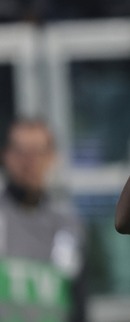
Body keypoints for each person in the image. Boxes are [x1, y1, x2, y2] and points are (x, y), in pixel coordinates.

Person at [0, 119, 86, 322]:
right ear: (6, 156)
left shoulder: (70, 225)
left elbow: (79, 303)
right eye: (21, 152)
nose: (29, 162)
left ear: (52, 158)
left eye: (38, 152)